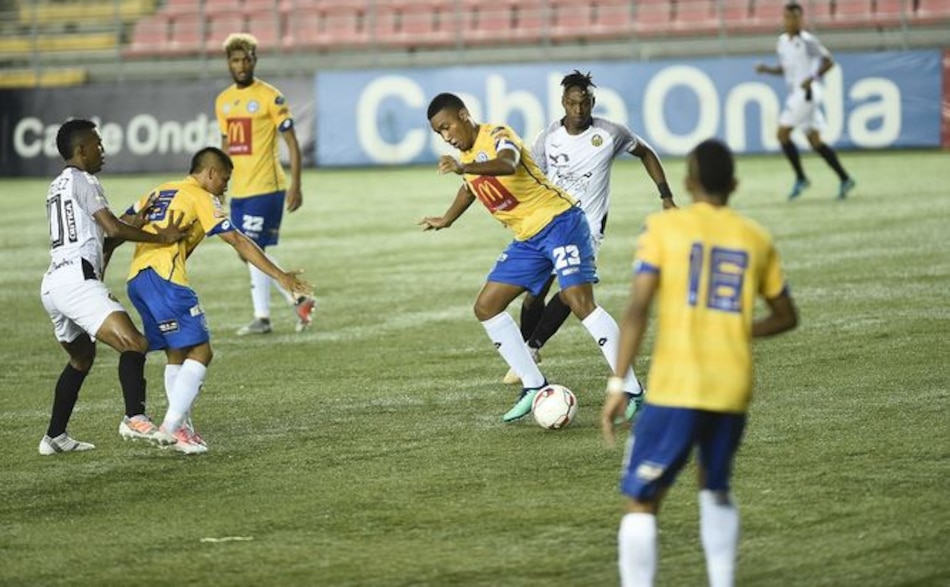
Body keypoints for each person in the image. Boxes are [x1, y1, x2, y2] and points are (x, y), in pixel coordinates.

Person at [601, 139, 799, 586]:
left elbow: (637, 310)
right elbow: (786, 316)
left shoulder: (664, 229)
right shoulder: (755, 237)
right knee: (715, 487)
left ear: (689, 184)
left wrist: (617, 385)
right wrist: (736, 329)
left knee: (642, 500)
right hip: (731, 388)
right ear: (734, 184)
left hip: (677, 387)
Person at [421, 92, 644, 423]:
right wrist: (447, 218)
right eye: (439, 132)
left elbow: (507, 163)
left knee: (578, 300)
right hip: (527, 239)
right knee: (486, 306)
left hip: (560, 222)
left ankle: (633, 391)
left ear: (464, 115)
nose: (446, 136)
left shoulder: (497, 135)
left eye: (447, 126)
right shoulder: (466, 158)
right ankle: (533, 385)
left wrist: (463, 167)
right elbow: (470, 188)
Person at [124, 147, 313, 454]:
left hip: (137, 279)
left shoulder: (160, 190)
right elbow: (237, 239)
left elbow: (120, 224)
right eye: (224, 179)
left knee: (177, 353)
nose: (225, 186)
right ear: (210, 173)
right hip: (166, 279)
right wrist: (280, 276)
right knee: (202, 350)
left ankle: (181, 430)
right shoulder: (201, 195)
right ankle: (171, 429)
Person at [502, 70, 676, 397]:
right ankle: (529, 353)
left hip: (586, 227)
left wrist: (665, 195)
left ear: (592, 101)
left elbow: (646, 153)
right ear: (563, 103)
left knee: (571, 292)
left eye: (584, 103)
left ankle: (532, 347)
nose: (578, 110)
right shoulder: (546, 138)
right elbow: (530, 180)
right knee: (532, 293)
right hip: (548, 223)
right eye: (572, 103)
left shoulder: (611, 134)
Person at [39, 118, 188, 455]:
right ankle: (135, 417)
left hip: (54, 284)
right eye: (97, 145)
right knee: (134, 343)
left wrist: (131, 224)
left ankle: (54, 437)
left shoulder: (57, 185)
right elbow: (113, 230)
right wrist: (159, 236)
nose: (102, 150)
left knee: (82, 358)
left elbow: (103, 237)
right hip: (77, 281)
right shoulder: (86, 180)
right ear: (81, 150)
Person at [215, 32, 315, 335]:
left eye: (247, 58)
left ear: (254, 60)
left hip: (267, 187)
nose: (242, 64)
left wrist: (296, 184)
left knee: (251, 248)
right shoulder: (223, 101)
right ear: (228, 63)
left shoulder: (271, 96)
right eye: (236, 60)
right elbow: (225, 147)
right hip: (241, 190)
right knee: (246, 250)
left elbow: (293, 143)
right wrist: (218, 186)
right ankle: (297, 299)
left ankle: (267, 314)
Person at [755, 1, 855, 200]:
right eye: (789, 17)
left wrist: (813, 78)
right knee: (815, 141)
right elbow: (786, 69)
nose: (793, 20)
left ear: (802, 19)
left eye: (796, 17)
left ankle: (801, 178)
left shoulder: (808, 41)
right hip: (797, 94)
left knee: (782, 134)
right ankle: (845, 178)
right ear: (784, 18)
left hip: (807, 93)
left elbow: (829, 62)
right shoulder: (782, 42)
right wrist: (767, 69)